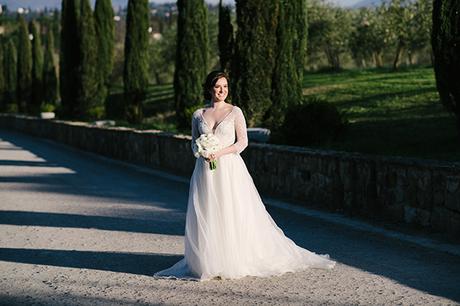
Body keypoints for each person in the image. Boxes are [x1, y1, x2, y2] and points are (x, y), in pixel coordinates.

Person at [154, 71, 335, 281]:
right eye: (218, 86)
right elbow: (193, 142)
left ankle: (234, 258)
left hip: (229, 169)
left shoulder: (235, 111)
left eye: (225, 86)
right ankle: (209, 261)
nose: (222, 90)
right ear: (209, 88)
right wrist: (201, 151)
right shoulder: (198, 114)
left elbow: (243, 143)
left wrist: (218, 153)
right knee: (208, 210)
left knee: (232, 210)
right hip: (205, 171)